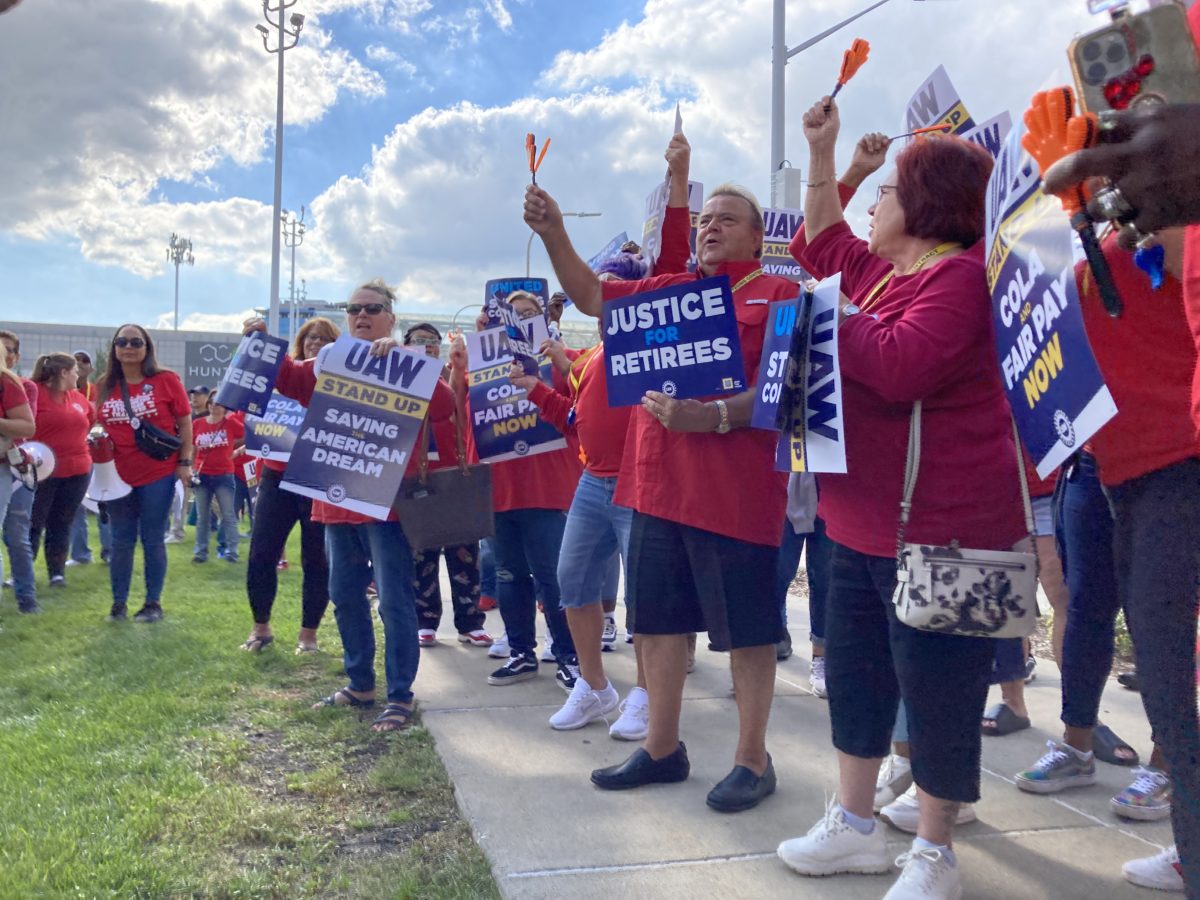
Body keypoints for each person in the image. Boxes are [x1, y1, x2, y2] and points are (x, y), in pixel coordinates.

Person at [775, 98, 1026, 899]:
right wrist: (824, 153)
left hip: (940, 536)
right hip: (859, 525)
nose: (871, 203)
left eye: (884, 190)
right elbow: (819, 239)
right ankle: (852, 823)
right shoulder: (890, 274)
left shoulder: (957, 278)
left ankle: (934, 851)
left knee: (938, 693)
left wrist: (824, 315)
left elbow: (899, 364)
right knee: (856, 678)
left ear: (922, 206)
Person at [525, 132, 793, 814]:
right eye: (705, 220)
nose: (710, 228)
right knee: (657, 627)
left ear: (758, 237)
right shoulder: (668, 290)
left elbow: (786, 393)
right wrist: (555, 231)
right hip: (653, 493)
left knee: (749, 634)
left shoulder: (783, 294)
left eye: (726, 219)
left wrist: (714, 418)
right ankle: (662, 750)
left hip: (735, 497)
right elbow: (587, 294)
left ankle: (751, 761)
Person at [247, 280, 451, 732]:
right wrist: (260, 339)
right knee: (343, 596)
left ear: (391, 318)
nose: (362, 315)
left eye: (373, 308)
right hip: (335, 501)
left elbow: (445, 407)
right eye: (354, 309)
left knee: (394, 602)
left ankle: (400, 695)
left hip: (387, 508)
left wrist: (406, 361)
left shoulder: (408, 362)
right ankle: (360, 684)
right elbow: (286, 379)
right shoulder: (328, 363)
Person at [449, 290, 583, 691]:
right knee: (508, 575)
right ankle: (522, 652)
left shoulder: (563, 359)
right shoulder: (477, 366)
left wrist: (558, 359)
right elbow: (456, 419)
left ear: (543, 322)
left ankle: (568, 654)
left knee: (553, 578)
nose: (517, 324)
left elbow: (580, 407)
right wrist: (458, 370)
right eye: (506, 317)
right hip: (499, 489)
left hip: (548, 488)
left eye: (527, 315)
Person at [242, 315, 337, 654]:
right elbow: (250, 405)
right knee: (262, 552)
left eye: (324, 338)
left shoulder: (336, 382)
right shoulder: (285, 375)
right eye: (310, 336)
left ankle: (308, 635)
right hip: (276, 473)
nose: (315, 342)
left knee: (316, 559)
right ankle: (260, 628)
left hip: (316, 476)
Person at [403, 322, 492, 650]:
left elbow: (458, 407)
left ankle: (470, 622)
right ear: (407, 344)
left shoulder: (449, 377)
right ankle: (425, 621)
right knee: (422, 555)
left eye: (432, 342)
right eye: (419, 340)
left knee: (465, 554)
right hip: (419, 479)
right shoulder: (400, 380)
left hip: (455, 476)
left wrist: (458, 367)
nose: (427, 346)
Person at [96, 324, 192, 623]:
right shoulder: (104, 385)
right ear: (114, 348)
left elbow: (186, 423)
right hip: (117, 475)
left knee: (152, 538)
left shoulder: (165, 380)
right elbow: (98, 423)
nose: (128, 347)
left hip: (158, 472)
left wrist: (185, 462)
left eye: (136, 342)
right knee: (121, 540)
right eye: (121, 342)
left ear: (146, 347)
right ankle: (118, 604)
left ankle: (153, 603)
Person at [28, 352, 95, 587]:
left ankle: (56, 573)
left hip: (78, 470)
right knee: (34, 522)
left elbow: (91, 422)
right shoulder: (33, 393)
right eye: (75, 370)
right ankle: (21, 573)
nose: (78, 374)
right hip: (42, 471)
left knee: (62, 522)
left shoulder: (78, 398)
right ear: (63, 372)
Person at [0, 330, 39, 614]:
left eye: (9, 349)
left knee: (17, 534)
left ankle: (27, 598)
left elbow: (27, 428)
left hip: (13, 468)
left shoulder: (14, 384)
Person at [191, 397, 243, 564]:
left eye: (218, 404)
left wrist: (238, 451)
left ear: (224, 407)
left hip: (224, 475)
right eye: (212, 403)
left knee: (228, 514)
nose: (214, 406)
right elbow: (193, 448)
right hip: (202, 475)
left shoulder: (230, 424)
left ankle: (232, 551)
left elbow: (251, 435)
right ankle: (200, 552)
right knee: (202, 516)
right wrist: (191, 468)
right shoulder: (198, 424)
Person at [68, 348, 107, 566]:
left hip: (98, 455)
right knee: (75, 505)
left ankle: (109, 551)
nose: (80, 364)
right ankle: (81, 554)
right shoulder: (63, 393)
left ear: (91, 368)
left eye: (85, 361)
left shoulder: (98, 390)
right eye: (76, 361)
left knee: (104, 503)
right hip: (75, 455)